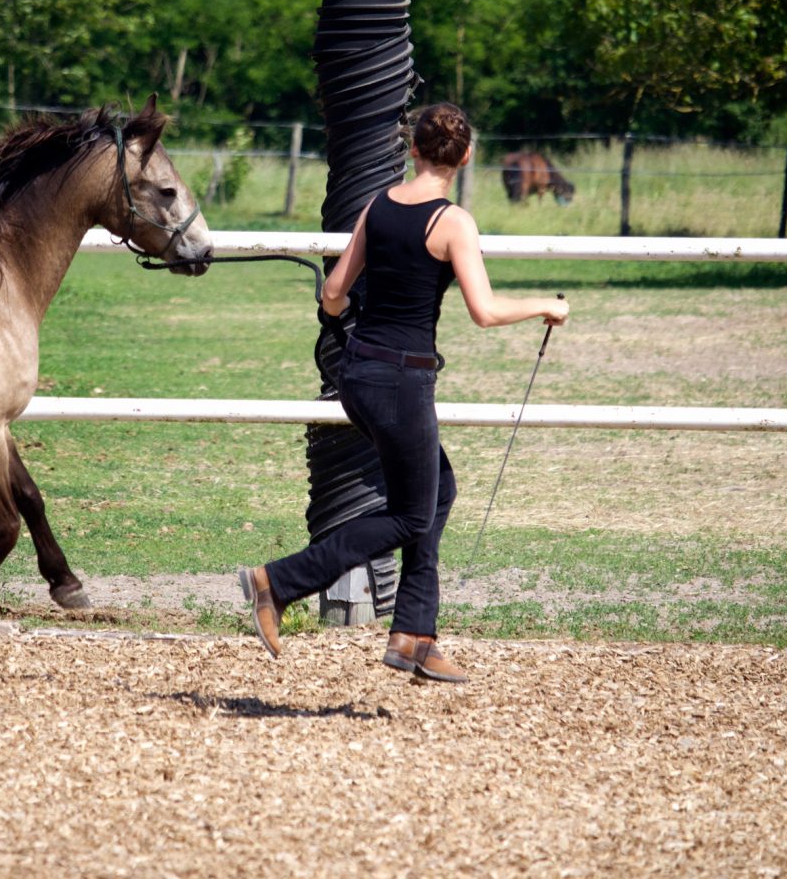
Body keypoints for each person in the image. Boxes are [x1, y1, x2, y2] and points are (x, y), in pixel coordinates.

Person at [238, 103, 570, 683]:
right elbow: (485, 311)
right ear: (465, 157)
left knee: (437, 493)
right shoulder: (454, 222)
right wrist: (546, 304)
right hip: (402, 382)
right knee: (411, 515)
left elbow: (335, 293)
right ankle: (278, 582)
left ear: (414, 149)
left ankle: (413, 636)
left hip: (359, 375)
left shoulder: (379, 204)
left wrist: (351, 309)